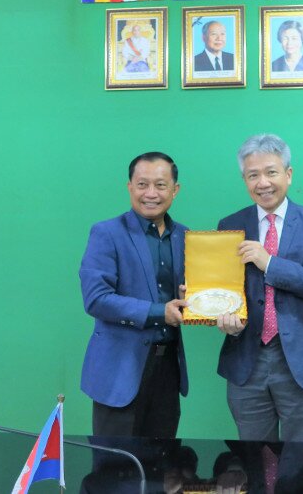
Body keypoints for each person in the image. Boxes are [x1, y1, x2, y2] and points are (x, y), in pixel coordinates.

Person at [215, 134, 303, 442]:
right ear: (244, 180)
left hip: (302, 360)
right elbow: (224, 290)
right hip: (246, 359)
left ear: (288, 174)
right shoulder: (229, 225)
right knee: (253, 458)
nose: (263, 182)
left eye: (271, 172)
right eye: (253, 175)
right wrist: (222, 317)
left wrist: (270, 264)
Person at [79, 152, 189, 438]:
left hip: (168, 370)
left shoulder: (187, 238)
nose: (151, 193)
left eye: (161, 185)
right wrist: (159, 312)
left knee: (163, 471)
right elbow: (96, 299)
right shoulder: (106, 233)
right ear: (130, 187)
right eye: (142, 185)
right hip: (119, 372)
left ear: (175, 190)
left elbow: (197, 295)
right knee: (113, 472)